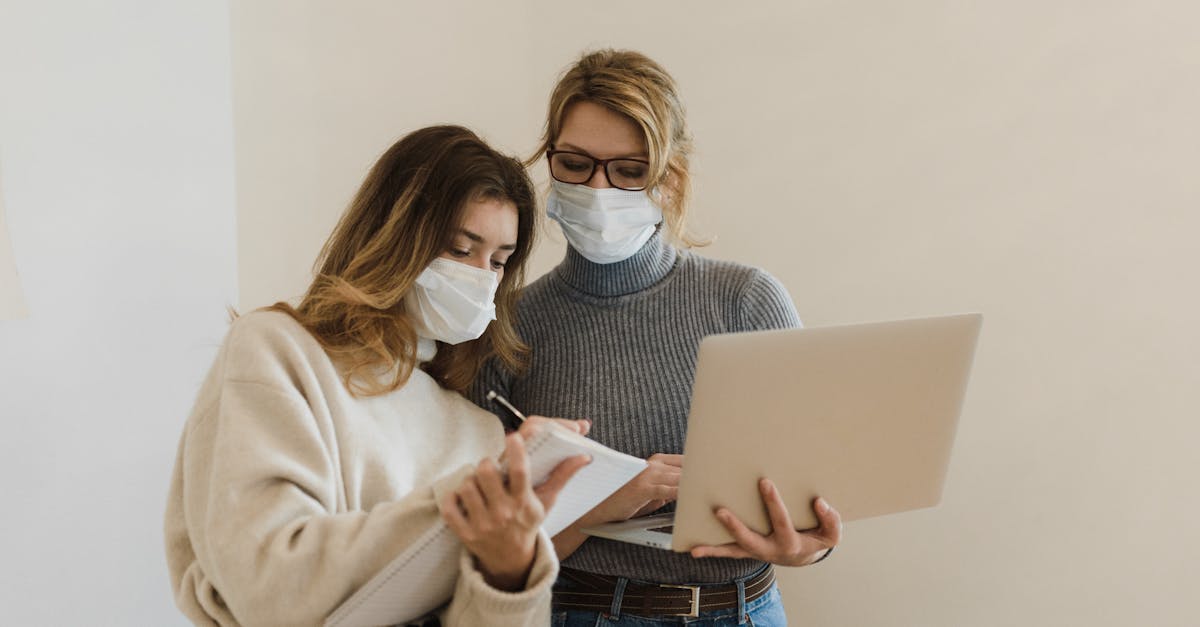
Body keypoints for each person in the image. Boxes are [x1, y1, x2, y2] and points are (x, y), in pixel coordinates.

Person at [164, 125, 591, 627]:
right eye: (460, 250)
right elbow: (269, 587)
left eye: (498, 262)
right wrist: (464, 507)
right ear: (396, 236)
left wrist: (510, 570)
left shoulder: (477, 428)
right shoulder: (276, 352)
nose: (481, 278)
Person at [470, 50, 842, 625]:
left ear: (670, 178)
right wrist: (606, 505)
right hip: (582, 611)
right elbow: (491, 553)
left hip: (744, 609)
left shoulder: (746, 302)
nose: (598, 187)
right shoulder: (511, 324)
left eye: (630, 170)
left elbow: (813, 501)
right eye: (574, 163)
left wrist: (807, 546)